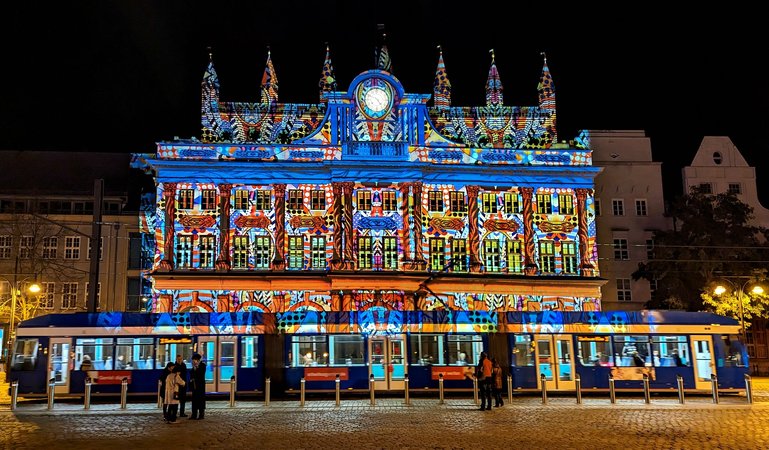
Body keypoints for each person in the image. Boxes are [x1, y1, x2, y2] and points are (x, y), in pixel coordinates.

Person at [189, 353, 206, 420]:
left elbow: (201, 374)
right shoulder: (193, 367)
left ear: (198, 360)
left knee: (201, 401)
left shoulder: (202, 365)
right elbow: (191, 374)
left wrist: (196, 368)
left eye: (194, 360)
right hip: (194, 386)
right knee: (194, 401)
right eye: (193, 361)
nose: (193, 362)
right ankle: (194, 415)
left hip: (200, 387)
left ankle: (201, 415)